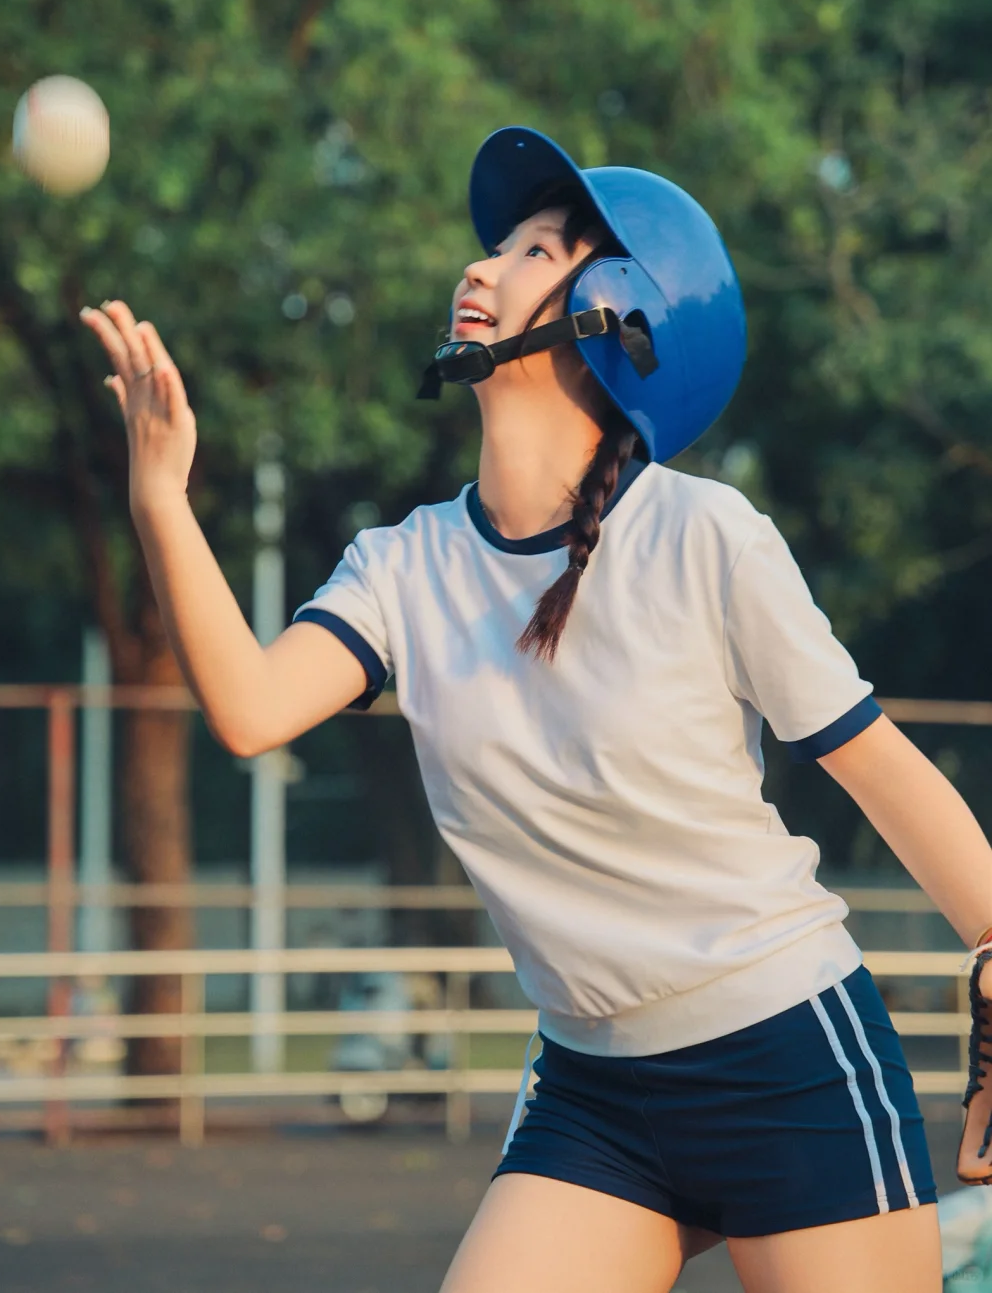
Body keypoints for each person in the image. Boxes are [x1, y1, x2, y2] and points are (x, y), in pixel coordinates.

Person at [80, 125, 992, 1293]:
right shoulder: (404, 566)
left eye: (533, 250)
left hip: (786, 1058)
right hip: (595, 1086)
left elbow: (883, 769)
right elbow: (252, 710)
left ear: (622, 313)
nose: (480, 267)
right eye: (497, 246)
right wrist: (163, 495)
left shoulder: (701, 536)